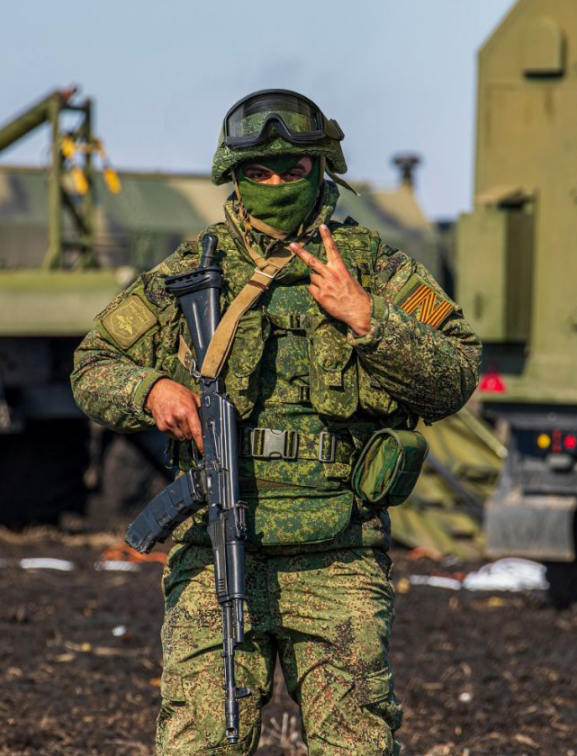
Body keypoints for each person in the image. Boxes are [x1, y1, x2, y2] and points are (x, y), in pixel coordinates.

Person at [71, 89, 481, 754]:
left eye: (291, 170)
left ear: (322, 170)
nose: (274, 185)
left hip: (339, 556)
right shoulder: (191, 271)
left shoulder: (373, 266)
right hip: (215, 550)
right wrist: (153, 392)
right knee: (201, 742)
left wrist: (368, 319)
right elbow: (92, 365)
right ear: (232, 177)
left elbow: (458, 373)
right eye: (257, 173)